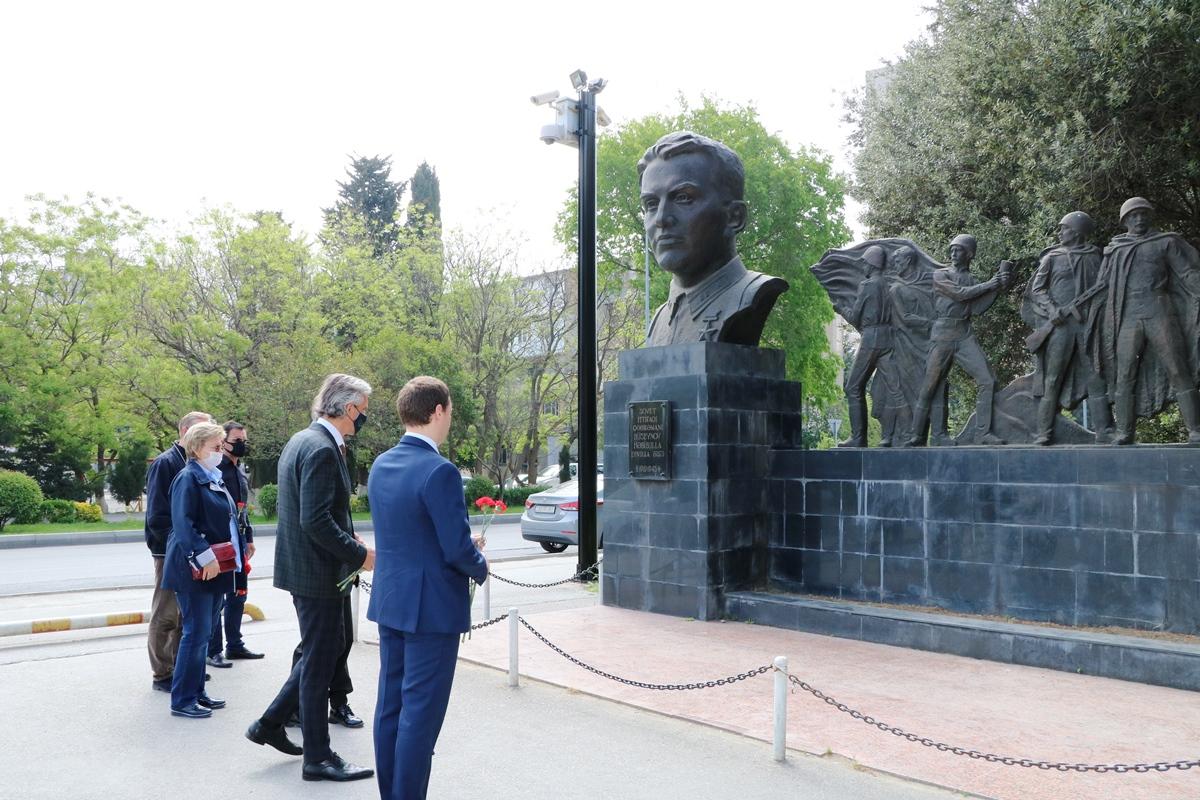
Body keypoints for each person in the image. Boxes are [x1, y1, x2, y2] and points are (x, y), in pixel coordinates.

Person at [246, 373, 375, 783]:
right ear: (347, 407)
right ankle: (317, 758)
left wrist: (347, 535)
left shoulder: (304, 440)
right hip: (317, 571)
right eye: (363, 412)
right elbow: (315, 520)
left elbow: (318, 512)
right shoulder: (320, 448)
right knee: (320, 661)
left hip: (309, 567)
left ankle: (269, 724)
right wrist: (359, 554)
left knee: (323, 648)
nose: (363, 420)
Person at [367, 376, 488, 800]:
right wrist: (480, 563)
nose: (450, 419)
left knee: (391, 708)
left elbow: (412, 532)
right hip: (431, 610)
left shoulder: (382, 464)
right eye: (450, 411)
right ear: (436, 411)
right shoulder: (440, 470)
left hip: (392, 600)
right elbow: (455, 548)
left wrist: (458, 547)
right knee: (420, 715)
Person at [639, 131, 789, 347]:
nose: (661, 219)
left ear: (734, 216)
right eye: (651, 204)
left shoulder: (753, 295)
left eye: (683, 198)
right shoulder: (659, 320)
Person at [1092, 197, 1200, 445]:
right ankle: (1125, 432)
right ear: (1125, 220)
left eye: (1142, 214)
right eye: (1133, 215)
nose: (1138, 218)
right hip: (1128, 316)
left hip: (1160, 310)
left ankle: (1196, 429)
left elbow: (1187, 273)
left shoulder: (1166, 242)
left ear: (1150, 217)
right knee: (1124, 373)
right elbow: (1101, 288)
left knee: (1178, 368)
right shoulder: (1115, 249)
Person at [160, 420, 244, 718]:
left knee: (204, 634)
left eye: (221, 446)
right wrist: (203, 556)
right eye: (215, 447)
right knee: (195, 634)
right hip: (195, 569)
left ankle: (197, 692)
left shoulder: (213, 476)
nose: (220, 452)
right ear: (196, 448)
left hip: (216, 568)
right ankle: (182, 699)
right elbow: (184, 525)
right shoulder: (188, 478)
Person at [907, 234, 1014, 446]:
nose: (953, 253)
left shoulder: (972, 279)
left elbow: (977, 308)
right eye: (952, 249)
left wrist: (998, 288)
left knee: (988, 380)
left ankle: (983, 434)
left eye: (959, 250)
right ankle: (917, 436)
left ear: (970, 254)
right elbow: (959, 294)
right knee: (930, 386)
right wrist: (990, 284)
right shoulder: (940, 275)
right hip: (943, 334)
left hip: (964, 334)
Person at [1024, 211, 1111, 445]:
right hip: (1059, 327)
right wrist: (1053, 311)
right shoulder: (1052, 257)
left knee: (1095, 377)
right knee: (1053, 379)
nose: (1060, 233)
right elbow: (1037, 290)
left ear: (1077, 231)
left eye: (1065, 228)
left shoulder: (1096, 256)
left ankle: (1105, 430)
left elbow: (1104, 290)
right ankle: (1043, 432)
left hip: (1087, 326)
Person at [145, 410, 213, 692]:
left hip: (193, 550)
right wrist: (182, 546)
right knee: (166, 614)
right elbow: (158, 517)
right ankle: (162, 673)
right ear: (184, 432)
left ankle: (182, 667)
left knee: (187, 615)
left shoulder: (198, 462)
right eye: (201, 431)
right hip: (170, 551)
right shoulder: (166, 463)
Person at [207, 420, 263, 664]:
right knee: (219, 598)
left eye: (244, 441)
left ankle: (235, 644)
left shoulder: (238, 471)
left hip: (239, 543)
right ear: (224, 442)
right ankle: (214, 650)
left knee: (239, 595)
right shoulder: (217, 470)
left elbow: (243, 510)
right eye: (237, 441)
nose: (241, 445)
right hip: (222, 543)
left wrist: (248, 538)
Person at [837, 246, 892, 447]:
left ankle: (858, 438)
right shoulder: (888, 284)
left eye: (865, 263)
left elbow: (854, 317)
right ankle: (895, 435)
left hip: (872, 338)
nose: (863, 267)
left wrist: (840, 307)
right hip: (888, 337)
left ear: (872, 264)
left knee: (853, 386)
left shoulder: (868, 285)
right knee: (896, 389)